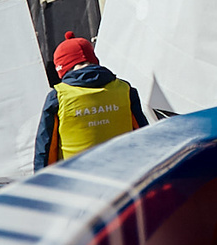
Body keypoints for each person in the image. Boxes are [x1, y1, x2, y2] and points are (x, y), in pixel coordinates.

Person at [30, 35, 147, 171]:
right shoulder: (125, 89)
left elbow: (46, 147)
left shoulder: (58, 97)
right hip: (125, 174)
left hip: (78, 182)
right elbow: (144, 135)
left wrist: (42, 184)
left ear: (62, 68)